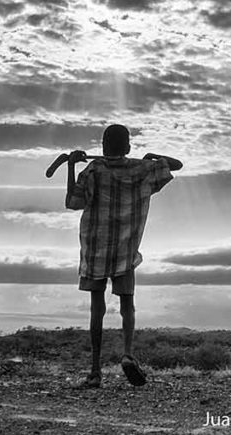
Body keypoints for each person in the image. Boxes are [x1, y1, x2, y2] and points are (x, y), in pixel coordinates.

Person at [65, 124, 183, 388]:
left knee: (97, 308)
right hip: (125, 250)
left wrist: (72, 165)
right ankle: (128, 354)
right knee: (127, 305)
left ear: (103, 146)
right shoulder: (141, 169)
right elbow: (178, 165)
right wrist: (153, 155)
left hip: (95, 248)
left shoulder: (93, 169)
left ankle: (95, 371)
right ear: (128, 147)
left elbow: (72, 202)